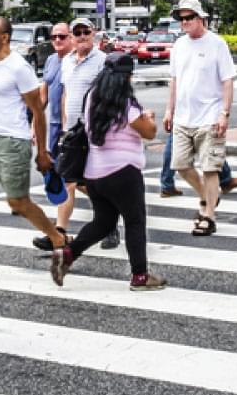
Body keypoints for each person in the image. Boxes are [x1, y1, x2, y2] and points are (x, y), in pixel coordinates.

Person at [51, 52, 166, 291]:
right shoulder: (126, 104)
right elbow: (149, 132)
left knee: (103, 222)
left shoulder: (91, 96)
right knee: (135, 222)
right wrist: (149, 118)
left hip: (95, 173)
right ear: (127, 77)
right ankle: (140, 277)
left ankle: (69, 254)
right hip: (124, 171)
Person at [0, 16, 64, 281]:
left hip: (13, 142)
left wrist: (42, 152)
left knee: (18, 203)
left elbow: (37, 111)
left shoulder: (19, 68)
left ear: (4, 37)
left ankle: (57, 238)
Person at [162, 0, 236, 236]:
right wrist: (169, 110)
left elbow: (227, 81)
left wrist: (224, 113)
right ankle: (207, 196)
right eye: (181, 19)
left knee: (210, 168)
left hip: (210, 117)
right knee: (180, 165)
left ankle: (209, 216)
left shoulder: (217, 44)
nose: (184, 22)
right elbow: (175, 80)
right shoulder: (179, 46)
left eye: (189, 17)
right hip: (183, 117)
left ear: (200, 18)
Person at [42, 17, 112, 250]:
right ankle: (59, 232)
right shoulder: (67, 62)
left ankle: (110, 224)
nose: (82, 36)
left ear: (94, 34)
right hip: (72, 132)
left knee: (95, 183)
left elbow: (110, 95)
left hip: (94, 131)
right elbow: (65, 95)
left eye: (86, 31)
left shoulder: (103, 61)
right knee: (68, 181)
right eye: (77, 32)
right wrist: (63, 126)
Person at [40, 22, 72, 157]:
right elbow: (43, 95)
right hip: (54, 123)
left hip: (72, 125)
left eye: (62, 36)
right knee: (51, 164)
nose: (57, 40)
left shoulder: (75, 60)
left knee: (69, 169)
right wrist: (33, 125)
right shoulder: (50, 60)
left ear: (70, 37)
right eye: (54, 37)